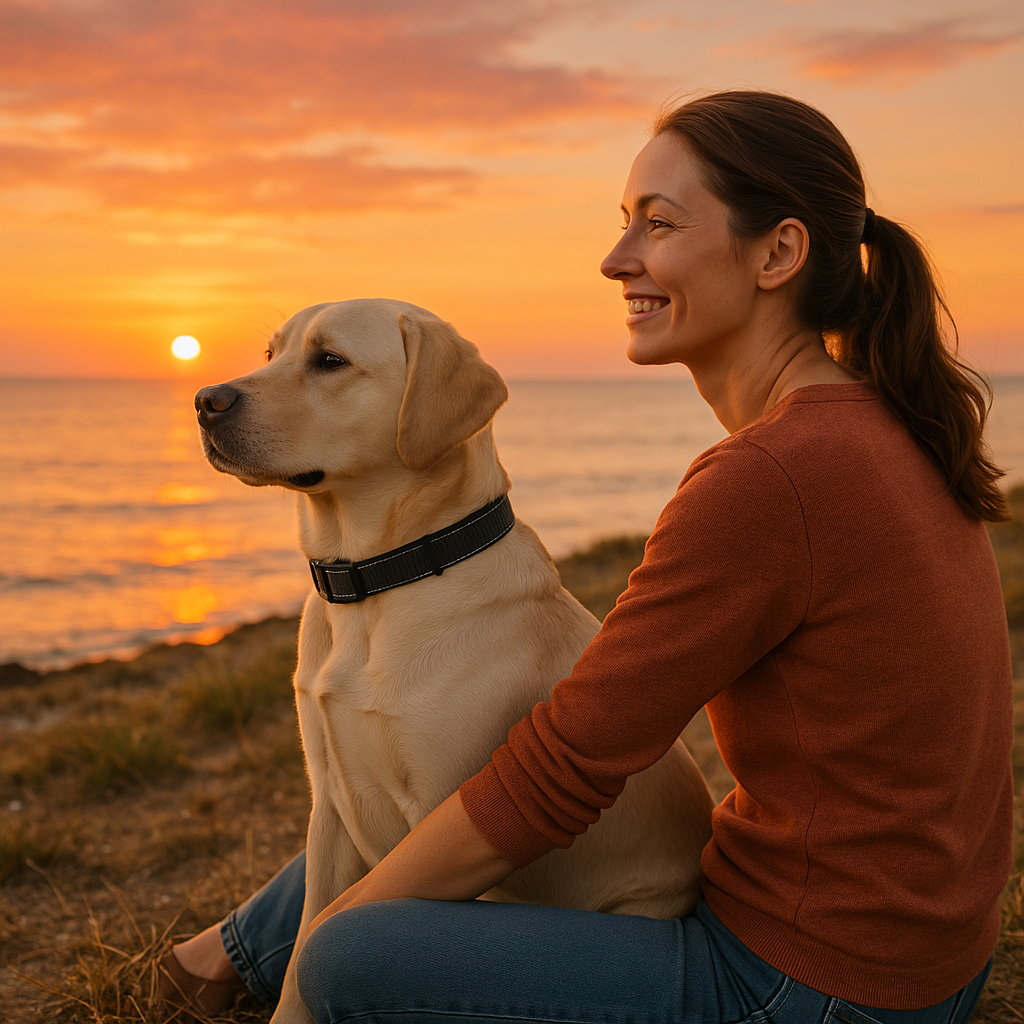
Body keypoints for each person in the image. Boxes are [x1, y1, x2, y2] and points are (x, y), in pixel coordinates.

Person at [159, 90, 1013, 1024]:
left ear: (778, 254)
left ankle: (265, 955)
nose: (617, 259)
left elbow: (557, 775)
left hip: (806, 986)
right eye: (624, 223)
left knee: (352, 960)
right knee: (405, 814)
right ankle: (226, 955)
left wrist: (334, 939)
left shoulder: (773, 474)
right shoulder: (870, 425)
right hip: (917, 959)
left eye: (660, 224)